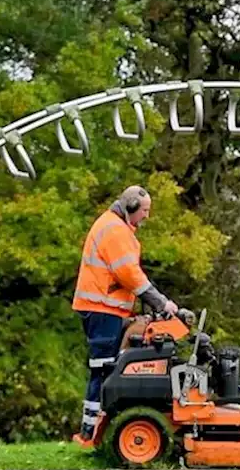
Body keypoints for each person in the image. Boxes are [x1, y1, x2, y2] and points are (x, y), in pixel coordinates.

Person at [71, 185, 178, 445]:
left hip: (103, 309)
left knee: (105, 369)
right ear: (131, 208)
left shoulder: (115, 226)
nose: (147, 216)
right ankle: (90, 434)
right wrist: (162, 303)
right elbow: (130, 276)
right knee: (105, 369)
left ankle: (93, 431)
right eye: (145, 211)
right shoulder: (116, 231)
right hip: (102, 309)